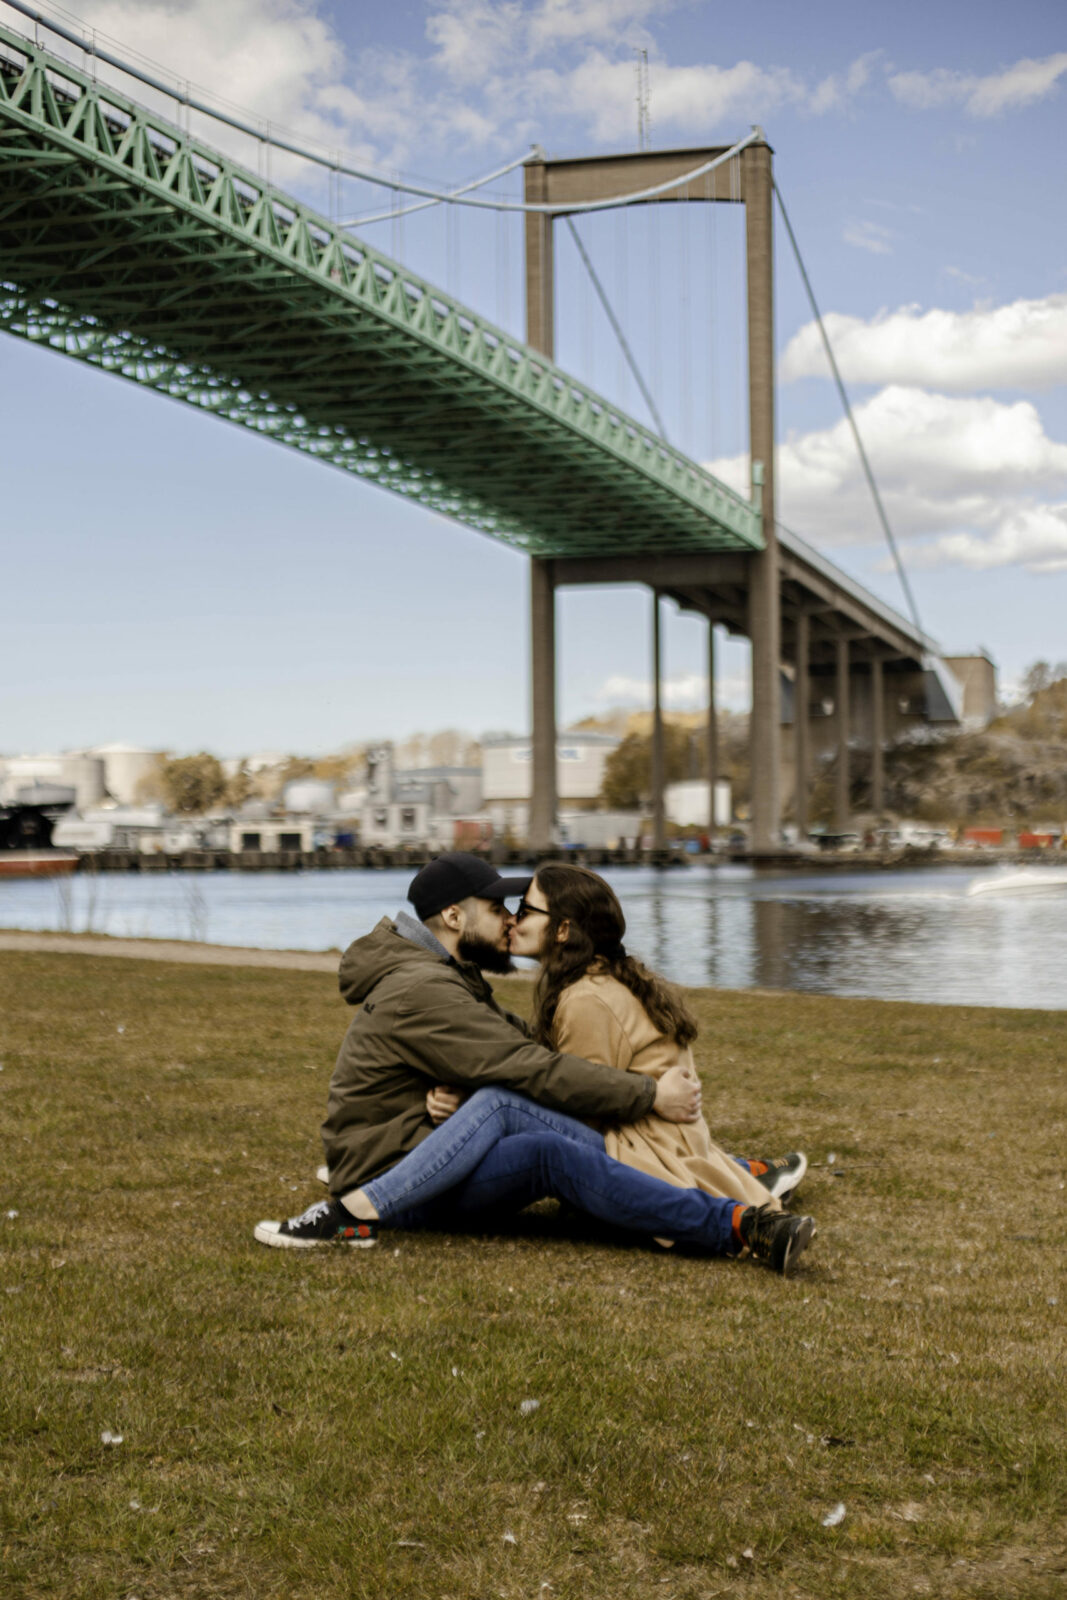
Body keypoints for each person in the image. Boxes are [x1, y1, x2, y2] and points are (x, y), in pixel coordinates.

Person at [254, 853, 815, 1273]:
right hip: (396, 1170)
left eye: (516, 908)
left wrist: (450, 1097)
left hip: (419, 1146)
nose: (508, 919)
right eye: (496, 907)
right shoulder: (425, 988)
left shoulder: (448, 976)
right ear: (453, 915)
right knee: (518, 1118)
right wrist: (649, 1096)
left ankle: (731, 1186)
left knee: (533, 1137)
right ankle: (738, 1221)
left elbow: (515, 1048)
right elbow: (531, 1068)